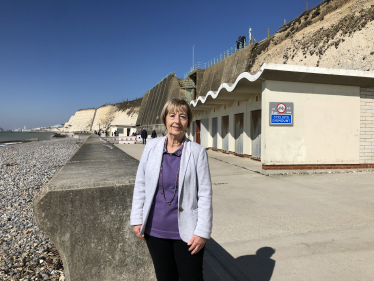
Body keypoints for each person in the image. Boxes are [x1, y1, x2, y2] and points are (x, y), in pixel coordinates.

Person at [130, 98, 212, 281]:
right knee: (165, 277)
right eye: (172, 115)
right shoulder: (151, 147)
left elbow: (204, 194)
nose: (177, 121)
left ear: (188, 122)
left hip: (188, 233)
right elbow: (140, 184)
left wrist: (202, 232)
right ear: (165, 119)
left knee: (192, 277)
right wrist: (137, 219)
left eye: (182, 116)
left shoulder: (198, 152)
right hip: (155, 230)